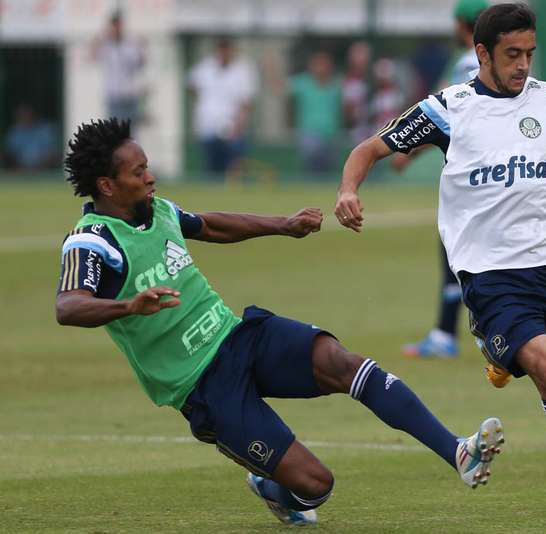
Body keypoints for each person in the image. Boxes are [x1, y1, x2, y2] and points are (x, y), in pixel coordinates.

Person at [55, 118, 504, 526]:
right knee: (314, 487)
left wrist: (282, 225)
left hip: (237, 336)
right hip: (203, 388)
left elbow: (210, 225)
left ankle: (458, 452)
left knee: (341, 361)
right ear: (106, 186)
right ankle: (271, 489)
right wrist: (129, 306)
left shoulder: (158, 210)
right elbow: (69, 306)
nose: (150, 177)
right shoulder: (92, 242)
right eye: (138, 173)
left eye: (147, 166)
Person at [336, 3, 546, 516]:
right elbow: (370, 147)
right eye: (512, 54)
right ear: (482, 53)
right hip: (490, 274)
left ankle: (500, 354)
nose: (524, 65)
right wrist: (348, 190)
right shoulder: (448, 107)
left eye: (529, 54)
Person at [401, 0, 489, 359]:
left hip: (472, 176)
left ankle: (463, 335)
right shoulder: (489, 62)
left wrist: (410, 150)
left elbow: (450, 116)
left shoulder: (468, 63)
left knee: (460, 255)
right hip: (492, 171)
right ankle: (447, 333)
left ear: (463, 24)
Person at [188, 37, 256, 177]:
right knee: (211, 163)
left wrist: (239, 125)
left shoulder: (242, 70)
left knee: (233, 166)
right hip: (208, 123)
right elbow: (191, 85)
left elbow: (247, 101)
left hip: (231, 125)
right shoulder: (205, 67)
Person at [288, 51, 343, 174]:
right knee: (313, 163)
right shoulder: (302, 82)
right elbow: (279, 88)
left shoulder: (336, 85)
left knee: (331, 168)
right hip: (310, 135)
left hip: (331, 136)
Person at [91, 11, 145, 124]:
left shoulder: (129, 44)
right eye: (114, 26)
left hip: (130, 94)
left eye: (118, 25)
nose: (117, 29)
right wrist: (102, 37)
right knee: (115, 130)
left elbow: (140, 62)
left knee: (131, 130)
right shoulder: (106, 45)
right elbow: (93, 55)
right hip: (113, 95)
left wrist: (141, 45)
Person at [3, 103, 58, 171]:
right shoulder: (14, 132)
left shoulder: (45, 129)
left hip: (44, 170)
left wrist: (39, 168)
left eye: (27, 112)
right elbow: (9, 155)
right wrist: (21, 169)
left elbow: (53, 154)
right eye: (21, 114)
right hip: (20, 171)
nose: (25, 116)